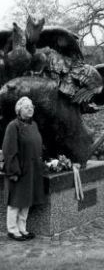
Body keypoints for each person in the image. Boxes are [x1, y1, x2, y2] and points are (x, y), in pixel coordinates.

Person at [2, 96, 45, 241]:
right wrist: (13, 171)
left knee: (27, 200)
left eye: (32, 106)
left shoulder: (34, 125)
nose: (30, 108)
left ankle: (22, 228)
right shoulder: (13, 126)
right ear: (19, 109)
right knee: (16, 201)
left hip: (32, 170)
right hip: (19, 171)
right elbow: (9, 150)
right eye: (27, 107)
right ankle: (12, 229)